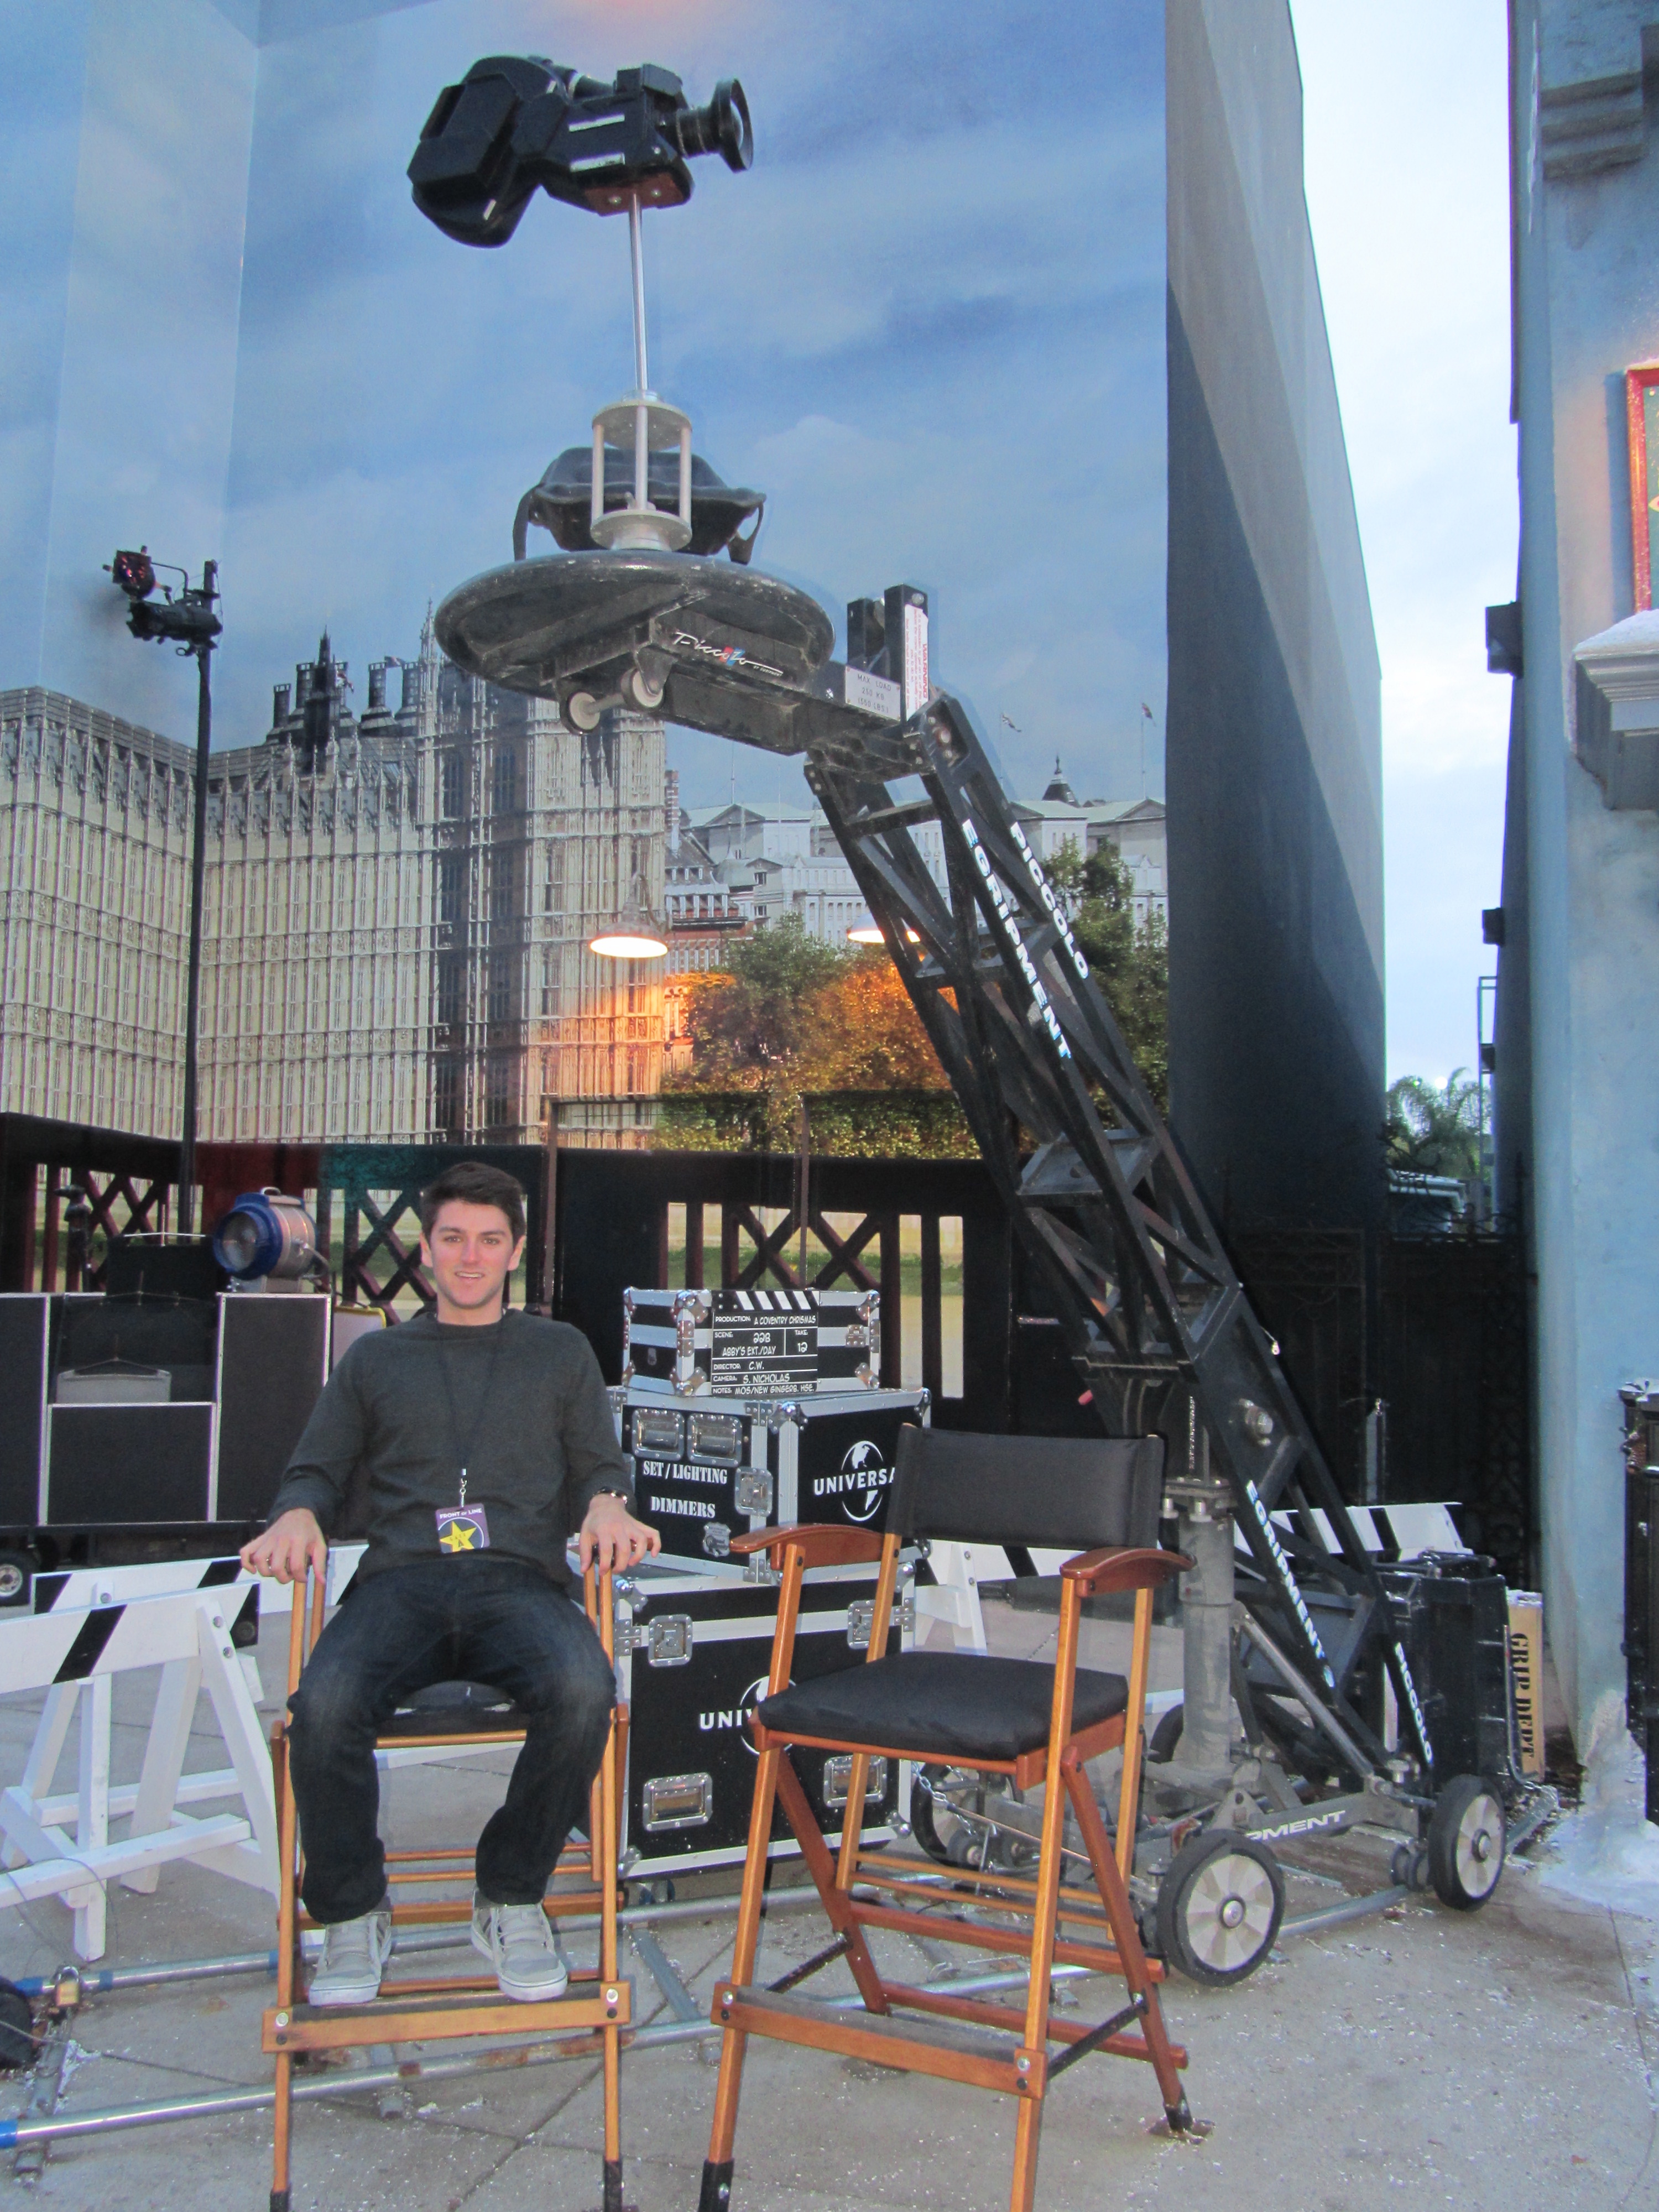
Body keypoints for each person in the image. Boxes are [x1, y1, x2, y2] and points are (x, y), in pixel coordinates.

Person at [241, 1161, 659, 2007]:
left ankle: (510, 1893)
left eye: (490, 1240)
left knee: (585, 1693)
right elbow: (316, 1469)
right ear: (426, 1249)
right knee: (321, 1710)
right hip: (401, 1583)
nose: (471, 1257)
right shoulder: (377, 1359)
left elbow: (598, 1468)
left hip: (521, 1584)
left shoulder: (560, 1352)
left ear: (515, 1251)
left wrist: (608, 1507)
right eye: (454, 1238)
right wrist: (296, 1516)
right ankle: (351, 1909)